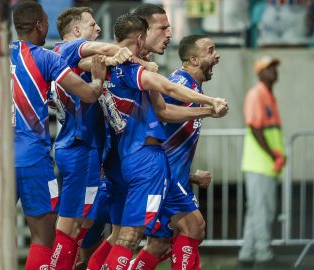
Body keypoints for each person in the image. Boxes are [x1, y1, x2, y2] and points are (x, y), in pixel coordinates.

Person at [0, 1, 106, 269]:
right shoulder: (46, 57)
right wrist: (97, 77)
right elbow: (89, 94)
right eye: (45, 22)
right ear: (39, 24)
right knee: (43, 238)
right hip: (33, 160)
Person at [87, 13, 227, 270]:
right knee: (138, 235)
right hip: (148, 163)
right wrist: (209, 106)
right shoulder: (141, 74)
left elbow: (83, 61)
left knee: (140, 237)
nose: (169, 34)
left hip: (128, 160)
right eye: (163, 28)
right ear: (142, 36)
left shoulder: (106, 68)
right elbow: (165, 105)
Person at [48, 7, 132, 269]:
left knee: (83, 223)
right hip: (79, 146)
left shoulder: (62, 56)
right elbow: (102, 52)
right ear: (75, 31)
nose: (97, 29)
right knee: (70, 222)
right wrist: (123, 52)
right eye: (92, 25)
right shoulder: (71, 48)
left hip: (86, 148)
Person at [131, 34, 222, 270]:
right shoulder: (180, 84)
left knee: (159, 244)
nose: (217, 56)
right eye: (211, 51)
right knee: (194, 227)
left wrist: (191, 176)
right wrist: (208, 110)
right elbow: (162, 112)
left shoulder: (191, 87)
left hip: (173, 176)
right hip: (164, 176)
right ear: (193, 59)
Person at [238, 55, 285, 267]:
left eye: (275, 67)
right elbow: (255, 127)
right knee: (262, 211)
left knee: (257, 210)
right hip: (260, 164)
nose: (274, 71)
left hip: (265, 164)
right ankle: (264, 255)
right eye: (270, 68)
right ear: (261, 72)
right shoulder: (257, 93)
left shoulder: (267, 94)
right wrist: (274, 154)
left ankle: (247, 255)